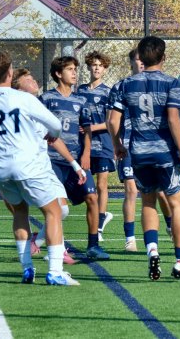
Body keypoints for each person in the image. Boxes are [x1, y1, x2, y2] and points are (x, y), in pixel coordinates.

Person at [0, 50, 79, 286]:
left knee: (20, 213)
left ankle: (27, 267)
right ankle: (55, 271)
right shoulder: (24, 99)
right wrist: (53, 134)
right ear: (9, 72)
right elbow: (55, 125)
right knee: (54, 212)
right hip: (28, 166)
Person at [108, 36, 180, 280]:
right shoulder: (171, 83)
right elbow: (174, 119)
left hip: (139, 152)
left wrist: (118, 146)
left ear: (140, 59)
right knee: (176, 205)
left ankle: (152, 251)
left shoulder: (125, 84)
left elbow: (113, 121)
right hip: (165, 152)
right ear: (164, 57)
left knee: (147, 203)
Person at [40, 56, 108, 261]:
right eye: (70, 69)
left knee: (92, 197)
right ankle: (55, 248)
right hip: (52, 160)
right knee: (58, 207)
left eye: (75, 69)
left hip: (76, 160)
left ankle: (93, 245)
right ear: (58, 74)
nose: (74, 73)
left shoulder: (81, 100)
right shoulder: (46, 99)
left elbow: (86, 130)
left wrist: (86, 154)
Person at [107, 48, 174, 253]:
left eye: (143, 59)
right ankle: (130, 238)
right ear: (131, 63)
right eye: (137, 60)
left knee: (161, 193)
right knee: (131, 190)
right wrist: (116, 143)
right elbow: (112, 119)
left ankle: (171, 223)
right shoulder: (121, 86)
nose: (141, 63)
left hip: (156, 146)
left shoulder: (160, 83)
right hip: (129, 147)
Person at [12, 68, 81, 265]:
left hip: (43, 167)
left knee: (62, 211)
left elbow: (53, 137)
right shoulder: (16, 107)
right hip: (23, 168)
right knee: (24, 212)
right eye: (28, 78)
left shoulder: (35, 105)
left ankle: (43, 243)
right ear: (17, 86)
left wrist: (74, 164)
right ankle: (49, 259)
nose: (34, 80)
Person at [77, 52, 115, 243]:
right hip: (85, 146)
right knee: (87, 187)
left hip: (104, 144)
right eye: (94, 65)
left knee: (102, 184)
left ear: (105, 69)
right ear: (89, 67)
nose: (97, 68)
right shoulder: (80, 91)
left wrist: (90, 127)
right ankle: (94, 220)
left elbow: (110, 122)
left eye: (100, 65)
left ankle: (99, 225)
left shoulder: (108, 92)